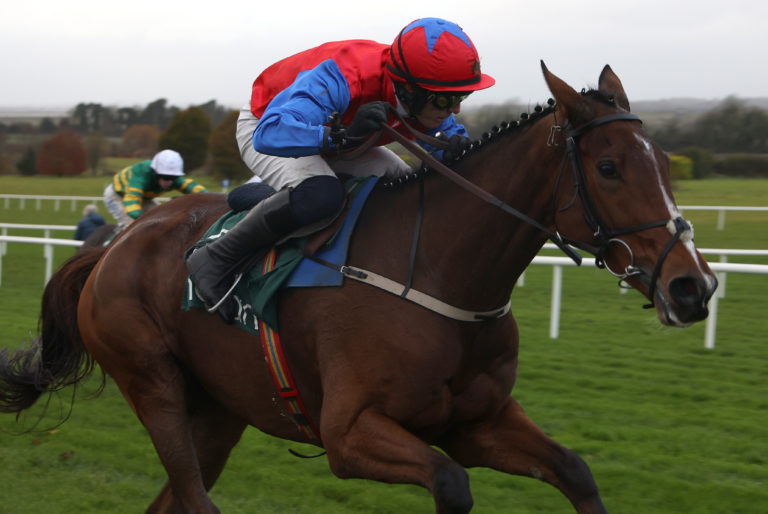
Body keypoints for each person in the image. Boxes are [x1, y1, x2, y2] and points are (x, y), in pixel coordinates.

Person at [187, 17, 495, 320]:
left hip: (340, 139)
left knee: (407, 189)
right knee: (321, 195)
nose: (455, 109)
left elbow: (448, 144)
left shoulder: (421, 93)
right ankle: (215, 257)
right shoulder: (345, 74)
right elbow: (271, 133)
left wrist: (458, 152)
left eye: (462, 97)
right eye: (447, 100)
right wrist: (339, 136)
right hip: (268, 125)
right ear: (410, 91)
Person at [103, 149, 208, 227]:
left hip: (144, 197)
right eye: (166, 177)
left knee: (162, 220)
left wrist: (212, 198)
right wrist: (142, 219)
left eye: (174, 177)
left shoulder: (172, 179)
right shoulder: (142, 174)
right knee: (133, 226)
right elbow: (132, 200)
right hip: (117, 196)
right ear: (155, 173)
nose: (170, 182)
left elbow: (193, 188)